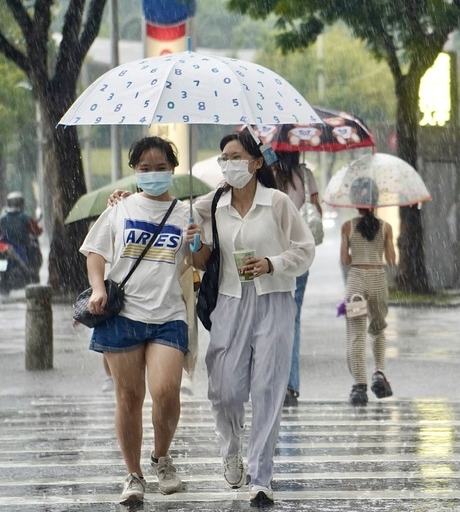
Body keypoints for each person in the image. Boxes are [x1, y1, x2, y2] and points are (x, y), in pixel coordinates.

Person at [190, 131, 315, 506]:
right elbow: (170, 212)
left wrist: (272, 263)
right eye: (223, 157)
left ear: (256, 162)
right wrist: (194, 241)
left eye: (236, 156)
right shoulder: (211, 204)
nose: (229, 163)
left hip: (274, 300)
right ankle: (232, 448)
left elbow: (304, 249)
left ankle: (261, 476)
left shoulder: (277, 203)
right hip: (229, 302)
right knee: (224, 389)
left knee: (267, 390)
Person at [79, 136, 200, 504]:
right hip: (123, 315)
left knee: (166, 391)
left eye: (160, 167)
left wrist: (196, 243)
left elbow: (198, 264)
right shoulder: (120, 208)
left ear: (172, 170)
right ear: (134, 171)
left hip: (169, 314)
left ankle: (161, 457)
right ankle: (133, 474)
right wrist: (98, 289)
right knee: (129, 397)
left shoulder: (186, 213)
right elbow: (95, 252)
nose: (153, 174)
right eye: (145, 168)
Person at [271, 150, 323, 408]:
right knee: (293, 319)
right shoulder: (305, 174)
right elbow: (317, 212)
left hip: (271, 254)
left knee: (269, 318)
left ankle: (272, 382)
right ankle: (291, 385)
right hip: (298, 254)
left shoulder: (267, 173)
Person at [339, 177, 396, 406]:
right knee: (378, 329)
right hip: (378, 281)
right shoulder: (386, 227)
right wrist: (385, 245)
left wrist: (354, 250)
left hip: (356, 282)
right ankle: (379, 373)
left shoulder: (347, 226)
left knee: (356, 334)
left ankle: (359, 386)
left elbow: (344, 260)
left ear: (355, 202)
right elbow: (391, 260)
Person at [0, 192, 43, 294]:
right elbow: (36, 230)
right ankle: (32, 273)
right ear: (21, 203)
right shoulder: (25, 217)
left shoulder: (2, 218)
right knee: (33, 253)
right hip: (22, 245)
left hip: (4, 247)